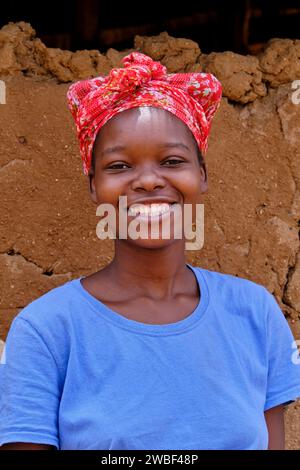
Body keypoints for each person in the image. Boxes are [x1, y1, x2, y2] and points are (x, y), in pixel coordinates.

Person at [0, 52, 300, 451]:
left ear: (201, 175)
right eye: (120, 166)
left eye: (172, 161)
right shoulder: (47, 331)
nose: (146, 181)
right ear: (94, 186)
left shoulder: (254, 313)